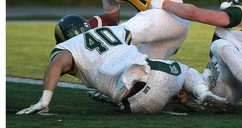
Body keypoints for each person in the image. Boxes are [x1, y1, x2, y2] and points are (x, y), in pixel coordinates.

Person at [16, 14, 228, 115]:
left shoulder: (68, 48)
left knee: (123, 86)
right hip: (154, 77)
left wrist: (44, 101)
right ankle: (201, 90)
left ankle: (183, 95)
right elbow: (127, 31)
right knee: (184, 70)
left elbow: (56, 66)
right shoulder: (111, 31)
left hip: (134, 107)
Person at [149, 0, 242, 111]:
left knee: (219, 45)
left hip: (237, 78)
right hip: (222, 82)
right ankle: (199, 97)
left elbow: (194, 14)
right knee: (185, 72)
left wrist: (163, 3)